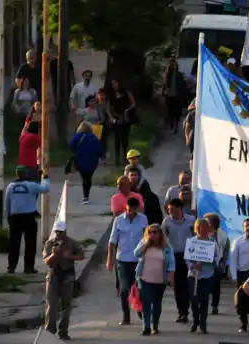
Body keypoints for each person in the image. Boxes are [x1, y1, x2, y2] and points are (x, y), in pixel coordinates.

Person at [106, 197, 149, 326]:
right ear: (126, 207)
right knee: (124, 289)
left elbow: (147, 238)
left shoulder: (143, 219)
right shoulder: (118, 220)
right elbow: (112, 241)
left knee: (139, 288)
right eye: (129, 210)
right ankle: (126, 316)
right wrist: (110, 259)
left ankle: (140, 310)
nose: (131, 212)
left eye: (133, 210)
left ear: (137, 208)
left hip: (138, 260)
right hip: (123, 260)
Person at [43, 221, 85, 340]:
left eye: (61, 232)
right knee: (51, 305)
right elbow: (46, 261)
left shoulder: (71, 243)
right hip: (53, 276)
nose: (58, 234)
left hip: (67, 276)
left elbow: (81, 255)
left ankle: (63, 332)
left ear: (65, 232)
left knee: (66, 306)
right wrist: (53, 254)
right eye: (57, 232)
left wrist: (69, 256)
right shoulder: (49, 244)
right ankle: (50, 332)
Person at [5, 166, 51, 274]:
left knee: (14, 243)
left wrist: (8, 216)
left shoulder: (10, 186)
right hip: (28, 217)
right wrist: (46, 178)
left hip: (15, 217)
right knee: (30, 243)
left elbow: (7, 202)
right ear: (26, 173)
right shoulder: (31, 185)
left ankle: (11, 266)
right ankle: (28, 267)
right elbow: (45, 188)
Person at [134, 223, 175, 335]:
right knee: (146, 302)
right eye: (150, 232)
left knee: (157, 303)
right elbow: (136, 254)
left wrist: (171, 276)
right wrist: (146, 243)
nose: (152, 234)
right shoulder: (144, 243)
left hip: (160, 280)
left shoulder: (166, 247)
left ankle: (155, 325)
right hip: (144, 279)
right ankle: (146, 327)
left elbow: (171, 263)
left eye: (154, 232)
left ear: (159, 234)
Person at [162, 198, 196, 323]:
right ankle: (181, 312)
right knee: (177, 285)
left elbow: (196, 235)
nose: (169, 211)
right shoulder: (167, 222)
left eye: (172, 209)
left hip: (188, 256)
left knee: (187, 283)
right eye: (168, 209)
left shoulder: (191, 220)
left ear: (179, 208)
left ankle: (186, 308)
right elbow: (162, 237)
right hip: (174, 256)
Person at [186, 217, 220, 333]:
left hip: (207, 276)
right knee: (194, 300)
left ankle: (203, 323)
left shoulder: (212, 243)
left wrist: (210, 261)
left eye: (205, 226)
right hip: (193, 276)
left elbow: (217, 257)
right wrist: (193, 266)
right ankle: (195, 320)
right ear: (197, 228)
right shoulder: (191, 241)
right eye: (200, 227)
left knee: (204, 300)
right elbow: (187, 257)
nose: (203, 229)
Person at [69, 121, 103, 204]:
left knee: (84, 177)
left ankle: (85, 196)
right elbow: (99, 149)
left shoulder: (77, 136)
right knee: (88, 177)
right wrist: (101, 156)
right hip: (92, 161)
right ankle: (86, 195)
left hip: (80, 160)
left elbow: (71, 146)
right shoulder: (94, 137)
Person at [205, 212, 230, 315]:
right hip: (204, 264)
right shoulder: (202, 233)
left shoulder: (223, 236)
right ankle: (203, 305)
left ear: (212, 224)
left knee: (215, 286)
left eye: (207, 222)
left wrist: (223, 264)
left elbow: (226, 250)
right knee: (204, 286)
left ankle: (214, 305)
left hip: (216, 264)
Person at [109, 79, 137, 166]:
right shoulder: (112, 95)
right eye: (112, 84)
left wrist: (127, 110)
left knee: (125, 138)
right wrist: (114, 116)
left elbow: (133, 103)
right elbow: (110, 108)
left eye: (115, 83)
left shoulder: (126, 92)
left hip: (125, 117)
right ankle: (117, 158)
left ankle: (125, 158)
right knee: (117, 138)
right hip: (117, 118)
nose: (114, 85)